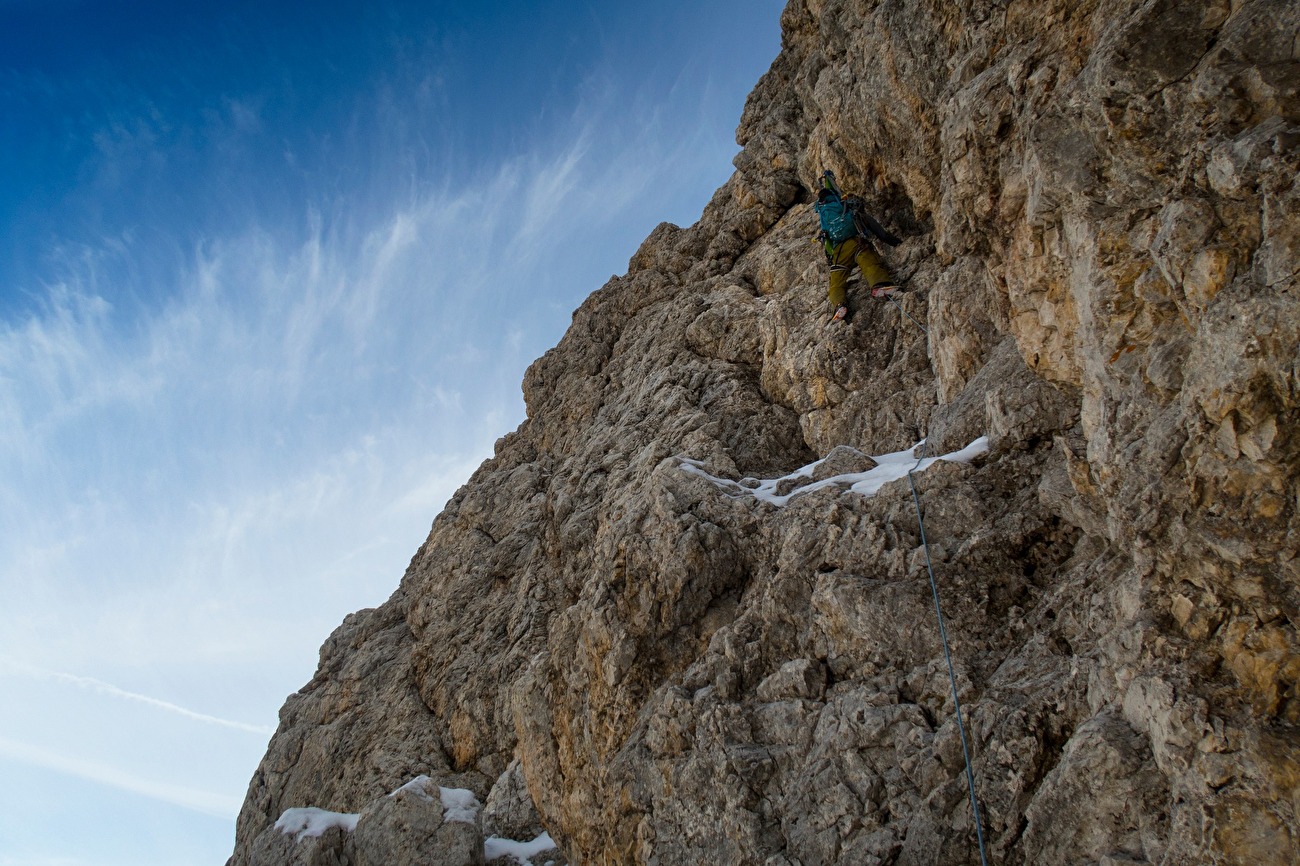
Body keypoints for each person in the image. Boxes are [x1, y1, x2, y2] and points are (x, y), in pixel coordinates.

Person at [814, 173, 901, 322]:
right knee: (869, 263)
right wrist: (898, 244)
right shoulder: (854, 214)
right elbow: (883, 235)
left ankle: (839, 305)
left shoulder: (825, 218)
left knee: (836, 284)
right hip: (857, 244)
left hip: (839, 253)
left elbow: (826, 242)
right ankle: (879, 285)